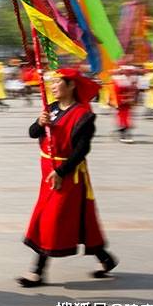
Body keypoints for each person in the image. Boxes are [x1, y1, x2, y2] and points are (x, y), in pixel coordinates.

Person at [19, 68, 117, 287]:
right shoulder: (51, 108)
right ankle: (105, 258)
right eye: (51, 83)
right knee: (81, 219)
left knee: (50, 218)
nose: (52, 87)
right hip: (47, 174)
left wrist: (61, 172)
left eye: (57, 83)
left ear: (71, 85)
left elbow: (82, 150)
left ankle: (38, 271)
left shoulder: (84, 115)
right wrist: (39, 122)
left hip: (68, 175)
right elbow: (33, 133)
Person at [113, 68, 137, 143]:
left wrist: (132, 98)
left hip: (127, 102)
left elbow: (133, 91)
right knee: (123, 119)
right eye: (127, 71)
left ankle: (125, 134)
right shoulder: (118, 80)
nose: (129, 73)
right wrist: (121, 100)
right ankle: (123, 135)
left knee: (127, 118)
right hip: (122, 102)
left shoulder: (131, 80)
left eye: (130, 72)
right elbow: (116, 92)